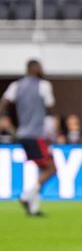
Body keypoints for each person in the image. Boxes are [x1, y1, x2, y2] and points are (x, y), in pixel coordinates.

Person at [0, 60, 57, 217]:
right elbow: (50, 108)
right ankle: (26, 196)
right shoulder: (43, 85)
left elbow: (4, 103)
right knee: (52, 168)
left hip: (23, 134)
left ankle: (33, 208)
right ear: (36, 68)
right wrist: (53, 131)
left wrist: (4, 118)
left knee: (42, 169)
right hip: (37, 135)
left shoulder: (15, 86)